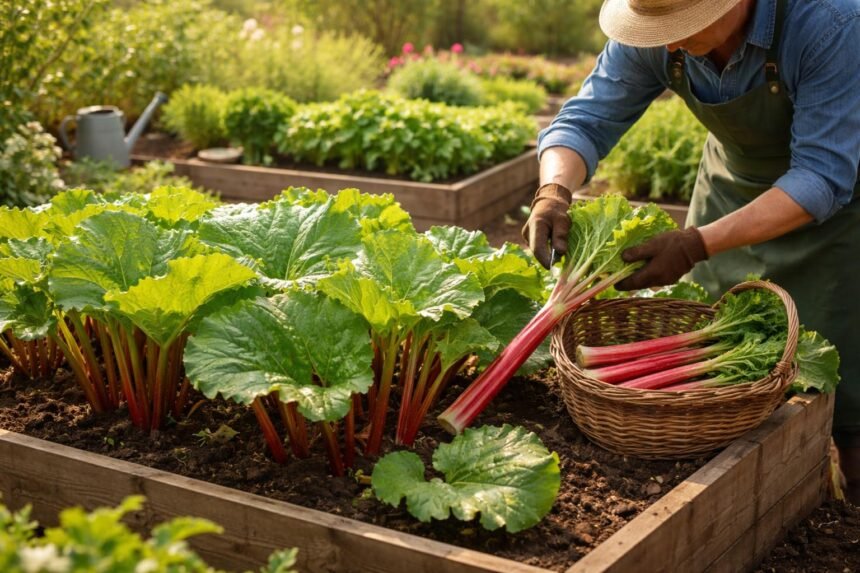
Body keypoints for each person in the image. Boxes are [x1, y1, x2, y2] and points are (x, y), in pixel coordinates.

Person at [524, 0, 860, 503]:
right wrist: (553, 191)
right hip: (731, 191)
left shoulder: (831, 24)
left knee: (846, 387)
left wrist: (696, 242)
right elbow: (585, 120)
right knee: (722, 357)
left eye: (683, 28)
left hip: (839, 221)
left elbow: (821, 178)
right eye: (657, 29)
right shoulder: (660, 27)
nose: (669, 43)